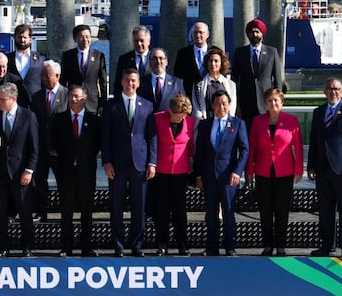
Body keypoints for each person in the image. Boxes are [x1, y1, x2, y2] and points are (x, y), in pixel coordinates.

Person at [101, 68, 156, 256]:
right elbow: (105, 136)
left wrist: (152, 163)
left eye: (134, 80)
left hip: (140, 163)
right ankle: (118, 244)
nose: (130, 84)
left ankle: (137, 244)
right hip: (117, 164)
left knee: (139, 207)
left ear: (138, 83)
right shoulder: (111, 105)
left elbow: (152, 137)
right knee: (116, 205)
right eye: (127, 80)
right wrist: (106, 162)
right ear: (122, 82)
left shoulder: (148, 106)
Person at [308, 77, 342, 256]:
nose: (333, 92)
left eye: (337, 89)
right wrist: (311, 166)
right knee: (325, 210)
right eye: (330, 89)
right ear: (324, 92)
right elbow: (314, 141)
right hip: (322, 168)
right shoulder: (319, 112)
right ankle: (327, 245)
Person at [247, 86, 303, 256]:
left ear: (282, 102)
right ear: (265, 103)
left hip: (284, 171)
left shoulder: (291, 120)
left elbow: (298, 147)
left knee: (281, 210)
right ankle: (267, 245)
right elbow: (252, 148)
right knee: (265, 210)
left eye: (276, 100)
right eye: (269, 101)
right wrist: (249, 170)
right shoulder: (258, 121)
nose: (273, 103)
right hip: (263, 171)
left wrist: (299, 170)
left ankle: (280, 245)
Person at [192, 88, 249, 256]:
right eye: (217, 104)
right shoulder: (204, 125)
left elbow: (244, 150)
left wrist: (238, 172)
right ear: (212, 106)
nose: (221, 107)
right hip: (209, 177)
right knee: (210, 214)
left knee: (228, 212)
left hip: (228, 176)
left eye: (224, 103)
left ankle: (230, 246)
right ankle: (212, 246)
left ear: (229, 105)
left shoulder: (238, 124)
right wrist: (199, 175)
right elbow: (200, 152)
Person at [0, 83, 38, 255]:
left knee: (24, 211)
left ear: (13, 99)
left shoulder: (28, 116)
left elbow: (34, 147)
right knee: (0, 212)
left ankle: (27, 246)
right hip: (0, 172)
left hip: (20, 172)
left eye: (2, 99)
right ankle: (4, 247)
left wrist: (29, 170)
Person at [51, 85, 100, 256]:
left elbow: (97, 145)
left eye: (77, 96)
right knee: (66, 210)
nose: (73, 99)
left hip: (86, 171)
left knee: (87, 210)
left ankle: (86, 246)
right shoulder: (59, 118)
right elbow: (54, 141)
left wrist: (84, 158)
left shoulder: (94, 120)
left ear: (85, 99)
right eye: (71, 96)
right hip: (66, 171)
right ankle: (67, 246)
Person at [151, 94, 197, 255]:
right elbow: (152, 142)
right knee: (161, 209)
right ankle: (162, 244)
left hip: (180, 171)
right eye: (178, 116)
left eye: (183, 116)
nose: (180, 119)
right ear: (170, 110)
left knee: (180, 210)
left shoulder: (190, 122)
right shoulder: (157, 119)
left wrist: (191, 162)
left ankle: (182, 244)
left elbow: (190, 145)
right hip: (161, 171)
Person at [231, 17, 286, 125]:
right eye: (252, 32)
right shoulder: (240, 53)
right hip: (246, 103)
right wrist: (236, 104)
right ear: (248, 34)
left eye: (257, 32)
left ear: (262, 34)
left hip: (266, 103)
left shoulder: (272, 52)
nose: (254, 34)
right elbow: (234, 80)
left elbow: (277, 80)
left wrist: (277, 101)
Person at [29, 60, 65, 220]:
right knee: (40, 183)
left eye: (47, 75)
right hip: (42, 148)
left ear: (57, 76)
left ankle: (66, 212)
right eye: (42, 75)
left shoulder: (67, 95)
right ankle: (41, 212)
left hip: (60, 149)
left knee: (64, 184)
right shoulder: (37, 97)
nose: (43, 78)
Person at [61, 23, 109, 110]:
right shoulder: (67, 56)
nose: (85, 39)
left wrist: (103, 103)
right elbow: (63, 81)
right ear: (75, 39)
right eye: (82, 36)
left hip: (92, 102)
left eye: (88, 36)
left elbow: (103, 82)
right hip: (73, 101)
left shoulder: (99, 56)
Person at [190, 46, 237, 116]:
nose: (213, 64)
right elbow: (196, 107)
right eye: (210, 61)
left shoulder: (231, 85)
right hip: (206, 123)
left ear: (221, 64)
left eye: (216, 61)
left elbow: (232, 107)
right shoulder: (198, 85)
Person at [139, 48, 183, 112]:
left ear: (166, 62)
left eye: (161, 58)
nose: (158, 61)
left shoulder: (177, 83)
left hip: (169, 120)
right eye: (154, 58)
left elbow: (182, 105)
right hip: (147, 120)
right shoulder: (141, 82)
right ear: (150, 62)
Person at [175, 21, 211, 99]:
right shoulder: (183, 54)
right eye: (195, 33)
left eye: (201, 32)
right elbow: (178, 76)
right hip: (189, 98)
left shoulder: (215, 52)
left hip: (211, 98)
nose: (198, 35)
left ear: (207, 34)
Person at [7, 23, 44, 96]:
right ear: (15, 38)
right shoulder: (7, 59)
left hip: (34, 100)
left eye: (25, 37)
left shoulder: (41, 59)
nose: (22, 40)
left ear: (30, 39)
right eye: (19, 37)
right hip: (14, 99)